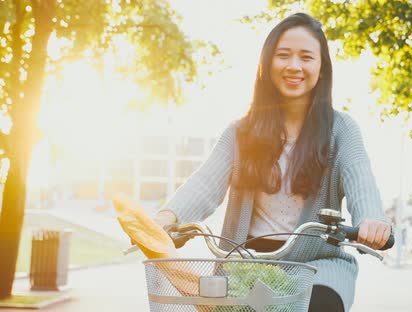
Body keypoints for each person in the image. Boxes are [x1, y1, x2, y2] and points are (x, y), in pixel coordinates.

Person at [152, 12, 392, 312]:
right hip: (245, 263)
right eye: (283, 55)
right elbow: (204, 184)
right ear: (266, 64)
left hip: (316, 267)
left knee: (320, 304)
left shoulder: (340, 129)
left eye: (306, 57)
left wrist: (372, 220)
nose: (294, 66)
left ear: (321, 69)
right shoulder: (241, 131)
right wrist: (167, 217)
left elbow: (361, 179)